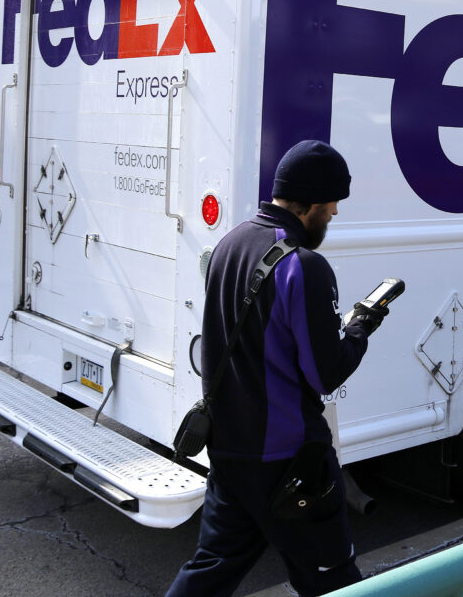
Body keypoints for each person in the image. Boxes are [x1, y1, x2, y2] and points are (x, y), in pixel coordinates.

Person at [165, 140, 388, 597]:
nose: (335, 216)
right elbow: (325, 373)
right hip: (290, 460)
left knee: (211, 570)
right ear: (314, 203)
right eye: (333, 205)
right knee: (333, 580)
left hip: (229, 451)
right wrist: (361, 328)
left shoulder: (230, 243)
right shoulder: (304, 266)